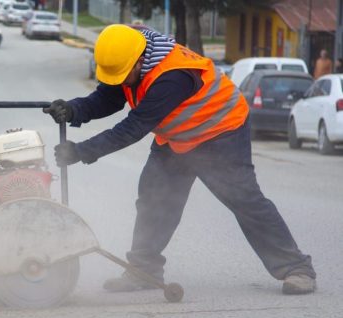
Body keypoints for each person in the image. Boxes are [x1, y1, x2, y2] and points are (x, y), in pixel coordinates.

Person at [43, 25, 316, 295]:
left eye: (124, 75)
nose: (121, 81)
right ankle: (144, 270)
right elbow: (109, 97)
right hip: (177, 137)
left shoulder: (173, 77)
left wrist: (82, 151)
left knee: (245, 200)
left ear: (140, 61)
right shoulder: (129, 55)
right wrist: (74, 110)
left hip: (220, 132)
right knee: (153, 199)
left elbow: (132, 128)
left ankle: (297, 268)